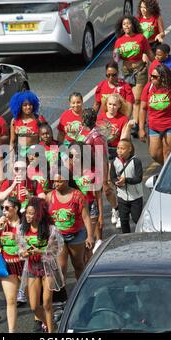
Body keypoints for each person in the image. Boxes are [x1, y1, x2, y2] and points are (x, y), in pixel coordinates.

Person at [17, 197, 64, 333]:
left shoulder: (50, 229)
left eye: (31, 213)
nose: (28, 216)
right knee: (34, 306)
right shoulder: (22, 229)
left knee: (47, 304)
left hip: (48, 267)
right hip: (32, 268)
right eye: (27, 213)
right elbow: (19, 248)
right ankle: (49, 324)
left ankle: (50, 332)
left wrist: (41, 251)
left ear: (39, 214)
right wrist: (24, 253)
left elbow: (57, 249)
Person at [46, 165, 93, 301]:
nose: (56, 184)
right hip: (58, 237)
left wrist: (90, 236)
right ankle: (63, 299)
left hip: (76, 235)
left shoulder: (77, 196)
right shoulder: (50, 197)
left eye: (59, 181)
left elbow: (85, 217)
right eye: (54, 181)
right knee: (61, 268)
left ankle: (84, 293)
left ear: (67, 181)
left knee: (78, 264)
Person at [96, 93, 134, 228]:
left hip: (115, 152)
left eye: (114, 105)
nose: (112, 107)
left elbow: (125, 139)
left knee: (116, 184)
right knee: (106, 188)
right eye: (109, 104)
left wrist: (129, 127)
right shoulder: (99, 118)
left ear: (119, 106)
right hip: (101, 152)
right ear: (106, 105)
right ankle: (115, 208)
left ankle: (123, 213)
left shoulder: (123, 119)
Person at [139, 64, 171, 165]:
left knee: (168, 153)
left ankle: (167, 177)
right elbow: (143, 108)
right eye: (151, 76)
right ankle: (169, 170)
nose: (151, 78)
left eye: (154, 77)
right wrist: (141, 128)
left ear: (162, 78)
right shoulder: (148, 88)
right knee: (154, 154)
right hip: (154, 126)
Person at [0, 197, 23, 333]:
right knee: (11, 300)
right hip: (8, 266)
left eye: (7, 208)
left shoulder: (24, 223)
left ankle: (41, 321)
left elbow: (33, 242)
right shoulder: (2, 223)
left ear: (16, 209)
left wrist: (17, 237)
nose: (4, 211)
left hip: (25, 265)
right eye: (2, 208)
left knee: (34, 302)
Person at [114, 15, 154, 132]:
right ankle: (126, 122)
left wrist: (157, 65)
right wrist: (116, 55)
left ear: (133, 25)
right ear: (121, 27)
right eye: (124, 24)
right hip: (126, 71)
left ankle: (136, 124)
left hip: (140, 70)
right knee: (128, 99)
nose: (126, 25)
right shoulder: (119, 41)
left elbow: (150, 53)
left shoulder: (140, 38)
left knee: (136, 99)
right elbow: (116, 59)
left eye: (128, 23)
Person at [68, 141, 103, 263]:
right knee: (80, 244)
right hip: (74, 208)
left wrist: (101, 216)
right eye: (70, 155)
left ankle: (90, 267)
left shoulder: (93, 170)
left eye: (76, 155)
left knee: (89, 243)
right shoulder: (67, 171)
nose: (73, 159)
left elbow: (98, 194)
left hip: (90, 207)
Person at [110, 139, 143, 233]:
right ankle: (126, 238)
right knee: (124, 221)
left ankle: (140, 235)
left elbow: (138, 178)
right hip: (122, 197)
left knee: (137, 219)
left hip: (136, 197)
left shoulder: (136, 161)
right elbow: (112, 177)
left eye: (122, 148)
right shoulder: (114, 162)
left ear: (129, 149)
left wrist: (126, 180)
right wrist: (116, 182)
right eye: (118, 148)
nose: (119, 151)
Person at [9, 91, 46, 158]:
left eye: (30, 104)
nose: (28, 107)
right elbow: (12, 141)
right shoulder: (14, 121)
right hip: (21, 154)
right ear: (20, 106)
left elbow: (47, 138)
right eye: (25, 105)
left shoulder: (39, 119)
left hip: (35, 153)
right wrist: (11, 159)